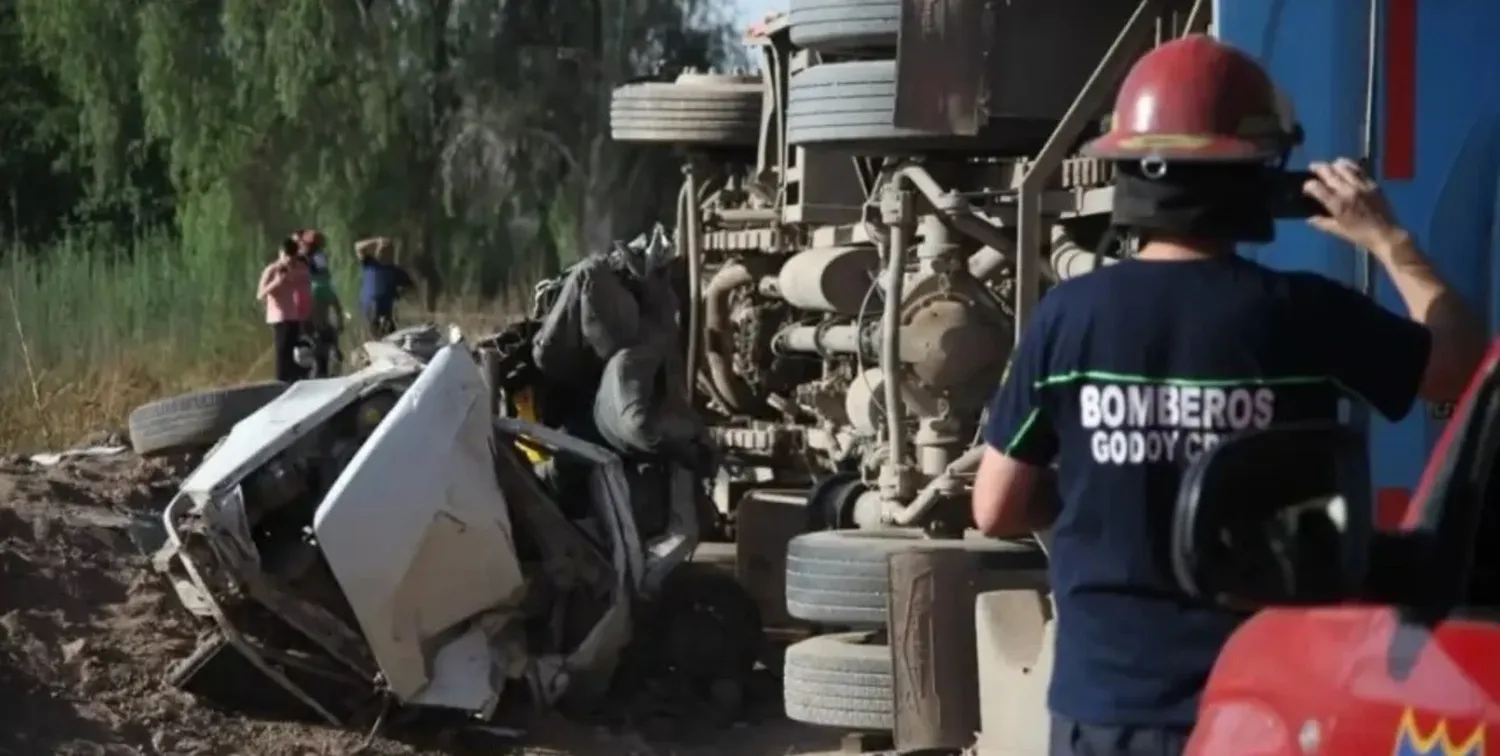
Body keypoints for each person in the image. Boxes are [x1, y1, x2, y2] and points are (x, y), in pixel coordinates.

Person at [969, 35, 1485, 756]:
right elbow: (1459, 368)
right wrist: (1389, 239)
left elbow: (995, 507)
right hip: (1262, 704)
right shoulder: (1304, 314)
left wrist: (1107, 500)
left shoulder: (1069, 318)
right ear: (1258, 177)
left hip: (1107, 704)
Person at [257, 237, 314, 383]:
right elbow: (260, 294)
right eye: (287, 256)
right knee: (282, 353)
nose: (289, 260)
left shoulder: (296, 269)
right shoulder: (271, 270)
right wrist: (277, 282)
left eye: (292, 257)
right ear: (280, 253)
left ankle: (297, 379)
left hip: (294, 316)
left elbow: (307, 279)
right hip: (279, 317)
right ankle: (281, 381)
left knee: (297, 354)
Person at [296, 229, 345, 376]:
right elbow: (335, 304)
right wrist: (340, 320)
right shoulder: (319, 258)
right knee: (325, 330)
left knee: (316, 335)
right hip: (322, 296)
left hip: (314, 293)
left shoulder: (307, 260)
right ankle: (330, 359)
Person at [353, 235, 415, 337]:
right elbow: (358, 247)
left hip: (385, 313)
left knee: (389, 338)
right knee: (371, 339)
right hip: (368, 311)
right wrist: (376, 240)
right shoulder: (369, 263)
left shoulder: (396, 271)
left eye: (386, 250)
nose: (381, 252)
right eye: (380, 249)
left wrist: (398, 294)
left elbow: (410, 288)